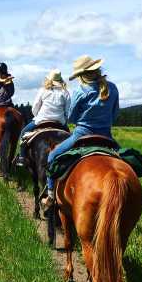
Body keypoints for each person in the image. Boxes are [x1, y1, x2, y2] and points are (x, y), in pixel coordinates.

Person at [42, 55, 120, 208]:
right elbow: (115, 114)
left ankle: (50, 194)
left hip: (81, 135)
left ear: (81, 76)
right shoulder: (113, 87)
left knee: (52, 156)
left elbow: (71, 117)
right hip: (107, 136)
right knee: (125, 160)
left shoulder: (80, 91)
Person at [15, 69, 71, 167]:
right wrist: (64, 119)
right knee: (70, 137)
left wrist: (37, 116)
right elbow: (68, 111)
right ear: (60, 80)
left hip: (41, 120)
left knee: (24, 133)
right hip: (59, 122)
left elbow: (35, 107)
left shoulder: (43, 90)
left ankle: (22, 157)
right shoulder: (65, 92)